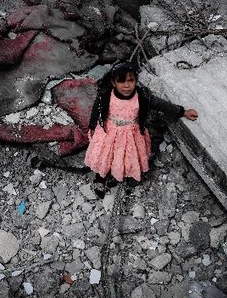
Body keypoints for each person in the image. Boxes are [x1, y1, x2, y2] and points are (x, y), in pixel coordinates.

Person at [85, 62, 198, 197]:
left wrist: (182, 111)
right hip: (109, 133)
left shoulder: (142, 96)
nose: (126, 85)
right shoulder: (105, 95)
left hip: (131, 135)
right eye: (121, 81)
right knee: (105, 155)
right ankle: (100, 178)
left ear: (136, 80)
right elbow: (96, 110)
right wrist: (92, 126)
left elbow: (161, 104)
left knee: (129, 156)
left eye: (130, 80)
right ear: (113, 83)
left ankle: (127, 176)